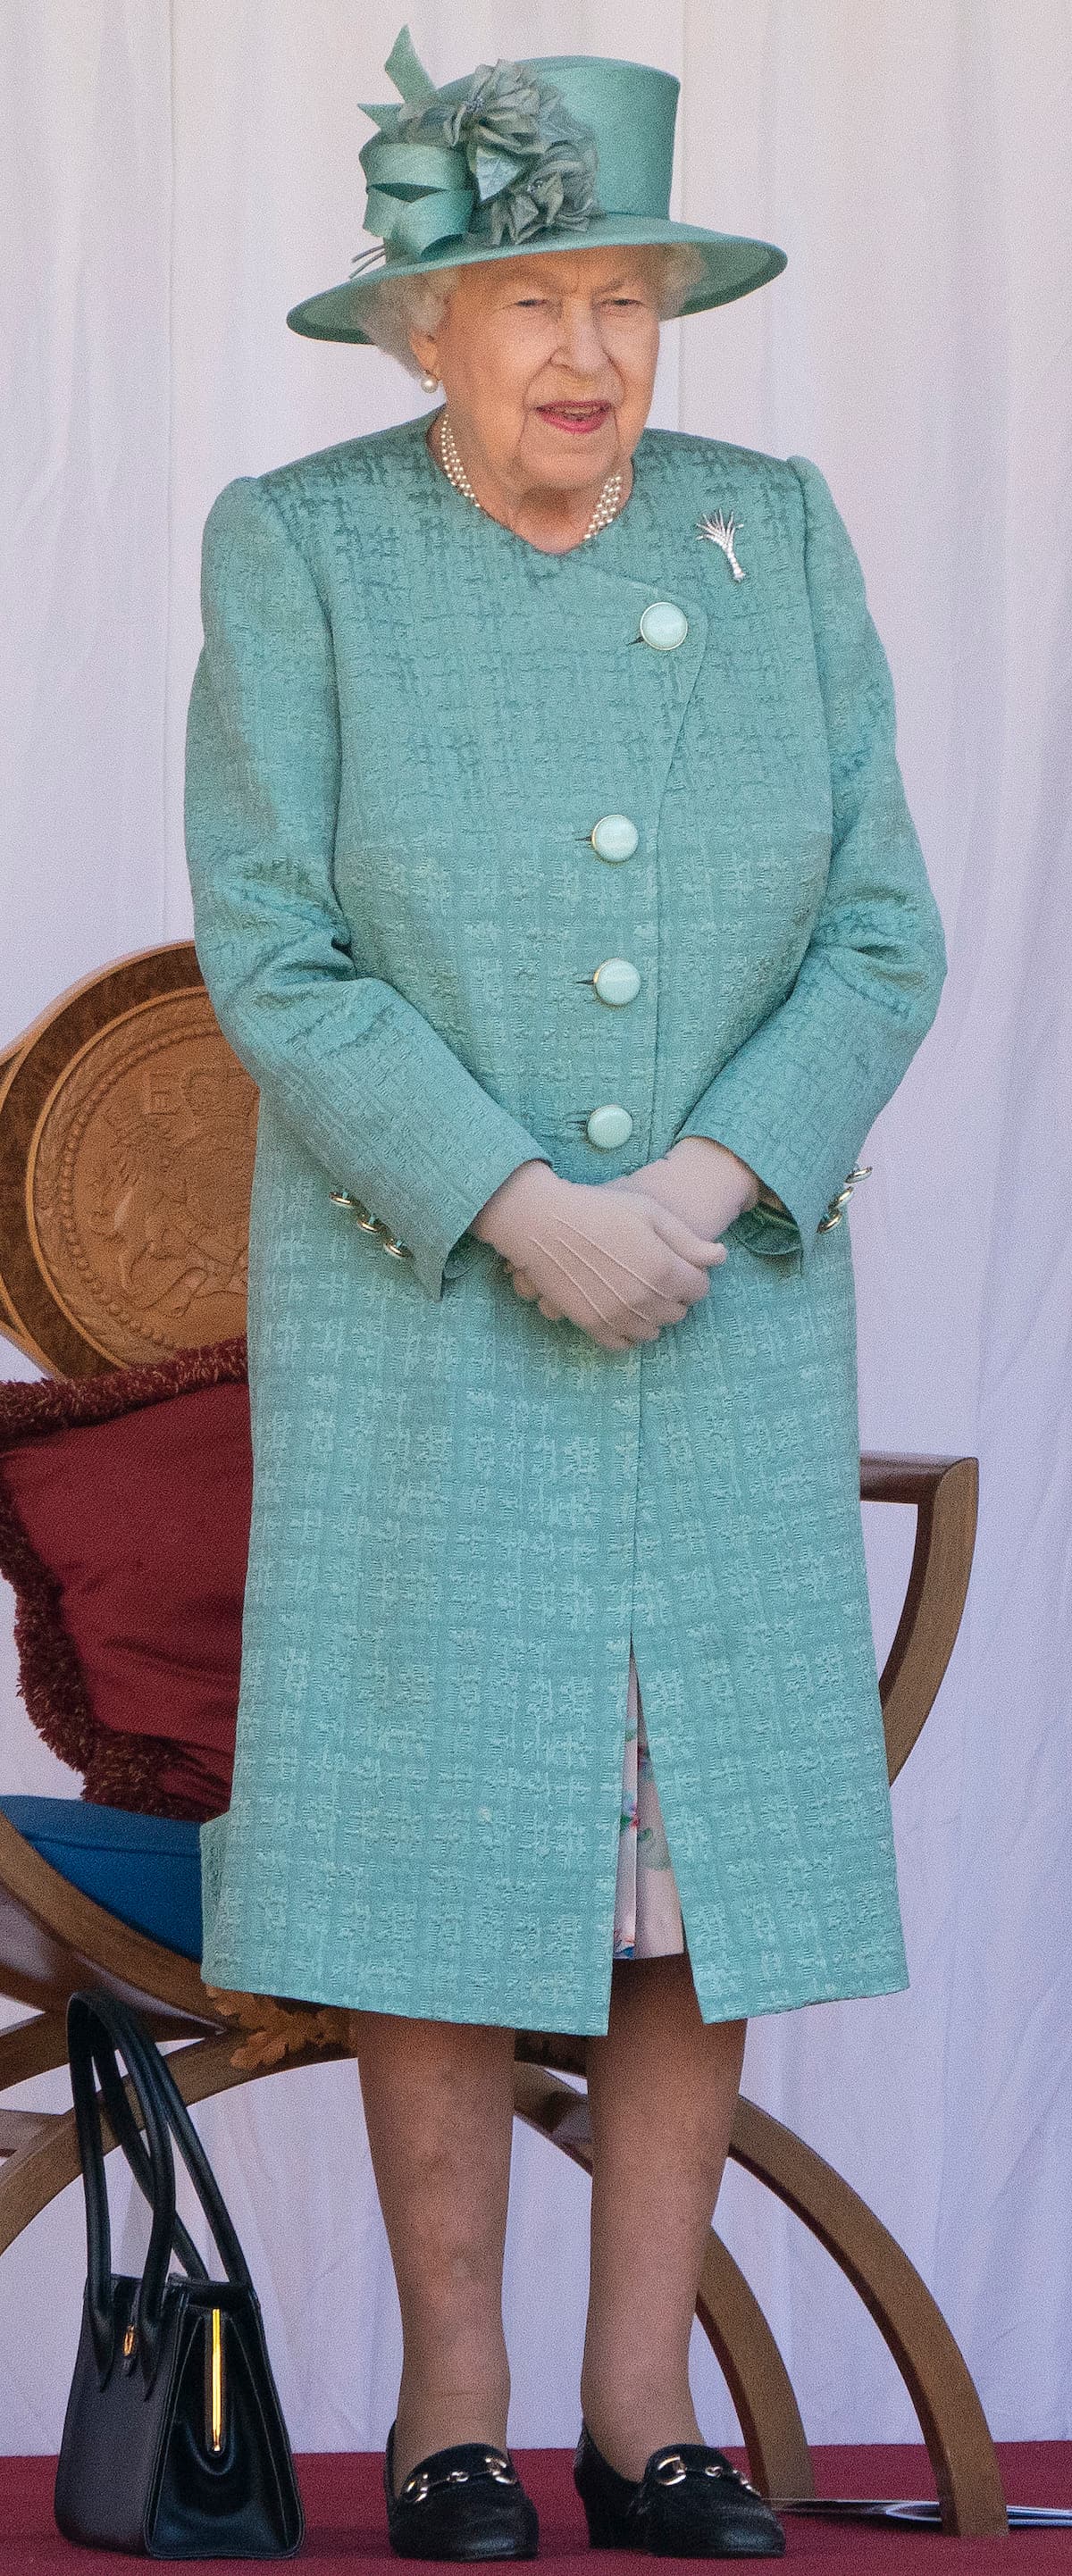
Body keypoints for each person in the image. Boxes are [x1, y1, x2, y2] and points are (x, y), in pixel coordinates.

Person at [184, 28, 947, 2562]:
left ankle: (648, 2416)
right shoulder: (301, 547)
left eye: (628, 298)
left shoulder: (776, 531)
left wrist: (706, 1182)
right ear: (427, 324)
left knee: (684, 1863)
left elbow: (882, 928)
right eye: (531, 302)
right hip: (428, 1321)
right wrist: (522, 1203)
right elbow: (274, 952)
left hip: (723, 1314)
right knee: (441, 1844)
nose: (588, 353)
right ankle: (454, 2408)